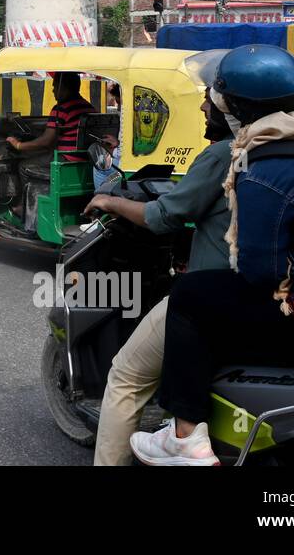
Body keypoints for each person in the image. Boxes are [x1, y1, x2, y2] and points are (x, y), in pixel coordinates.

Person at [130, 45, 294, 466]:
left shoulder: (265, 166)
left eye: (215, 100)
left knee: (193, 293)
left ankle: (185, 435)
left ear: (234, 111)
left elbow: (260, 272)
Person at [83, 82, 234, 466]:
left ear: (229, 109)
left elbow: (163, 216)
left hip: (214, 294)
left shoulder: (223, 153)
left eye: (209, 102)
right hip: (276, 296)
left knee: (125, 376)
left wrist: (111, 201)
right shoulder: (286, 146)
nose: (202, 108)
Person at [8, 72, 95, 161]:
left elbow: (46, 141)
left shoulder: (61, 109)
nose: (53, 90)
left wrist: (19, 145)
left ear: (64, 87)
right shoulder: (89, 107)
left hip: (66, 159)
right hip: (87, 158)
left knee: (24, 167)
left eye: (55, 86)